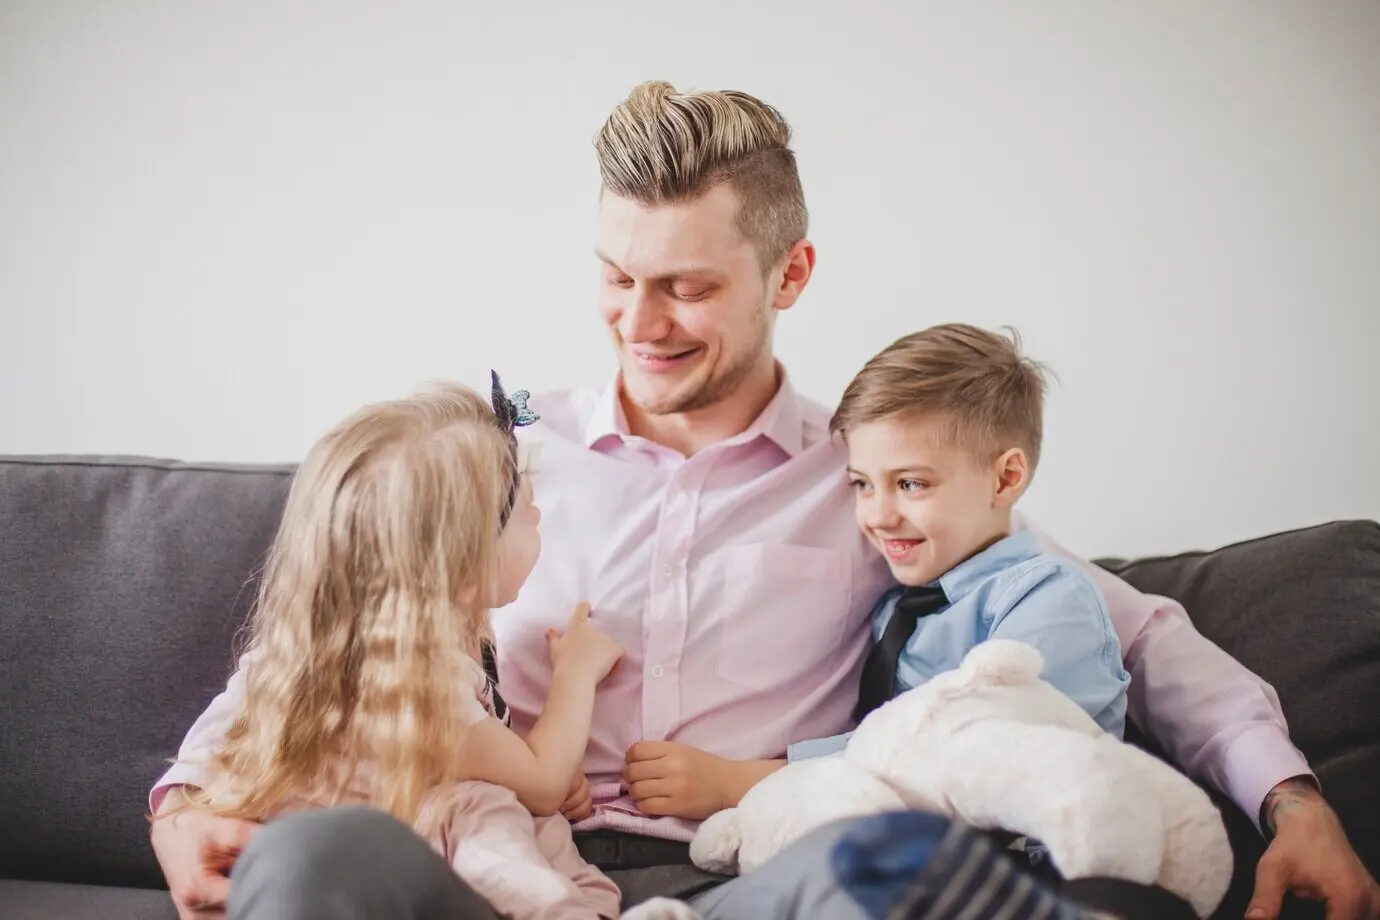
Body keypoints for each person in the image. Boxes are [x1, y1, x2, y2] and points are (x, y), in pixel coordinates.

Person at [148, 80, 1380, 920]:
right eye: (617, 276)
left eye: (683, 285)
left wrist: (1295, 800)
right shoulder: (497, 466)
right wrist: (186, 803)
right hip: (492, 871)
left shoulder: (866, 482)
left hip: (748, 879)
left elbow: (1140, 628)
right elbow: (326, 641)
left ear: (790, 271)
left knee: (873, 858)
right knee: (317, 856)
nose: (640, 322)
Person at [150, 375, 704, 920]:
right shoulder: (423, 681)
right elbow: (540, 782)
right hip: (385, 868)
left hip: (308, 872)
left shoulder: (295, 656)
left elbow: (205, 756)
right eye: (527, 518)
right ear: (463, 574)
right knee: (485, 809)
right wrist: (576, 675)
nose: (539, 524)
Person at [787, 322, 1131, 773]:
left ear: (1005, 478)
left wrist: (758, 778)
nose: (878, 516)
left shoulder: (1050, 600)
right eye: (863, 485)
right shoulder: (895, 608)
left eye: (910, 483)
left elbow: (975, 750)